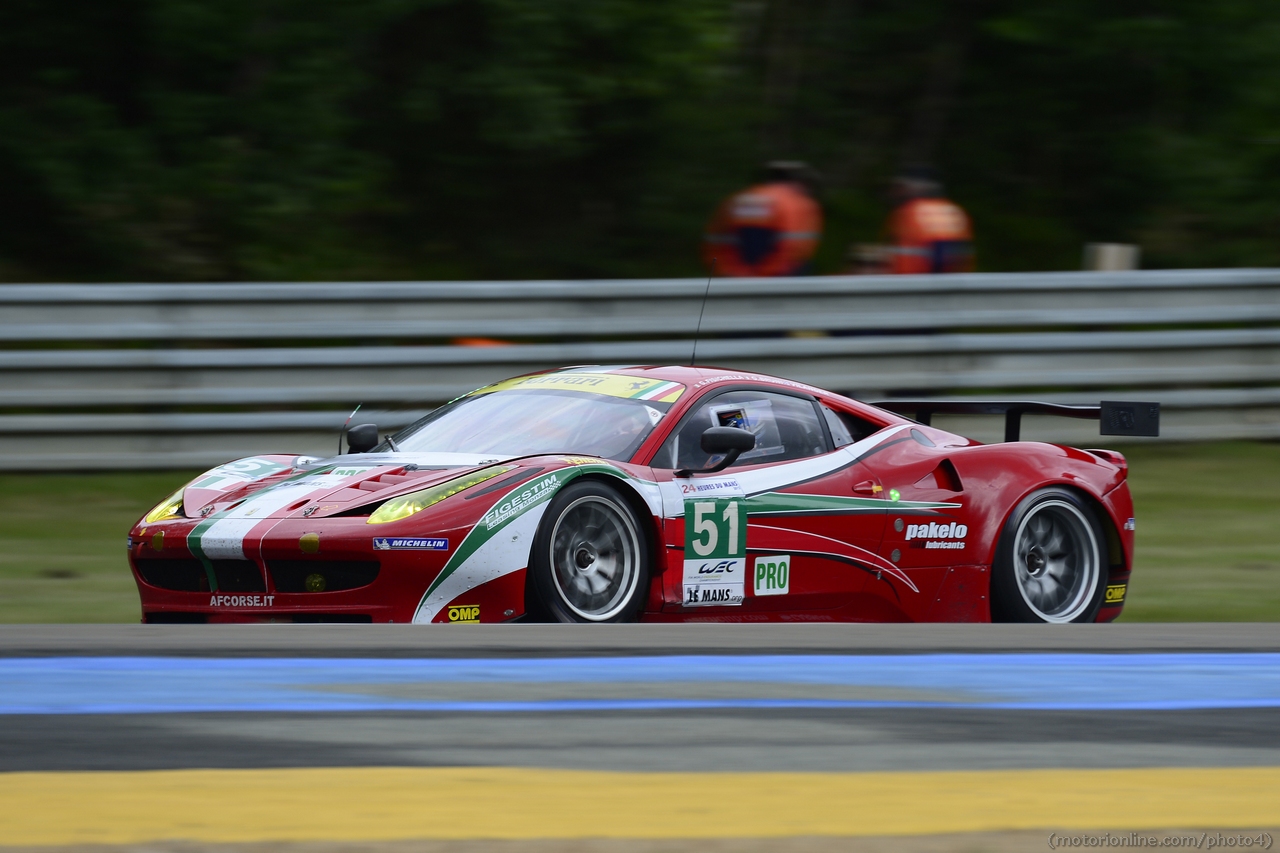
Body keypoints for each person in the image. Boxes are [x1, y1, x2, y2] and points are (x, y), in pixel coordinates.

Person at [703, 162, 822, 277]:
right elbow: (794, 249)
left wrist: (737, 273)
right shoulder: (798, 203)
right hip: (781, 275)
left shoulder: (737, 199)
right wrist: (765, 273)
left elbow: (717, 241)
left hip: (735, 274)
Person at [884, 166, 974, 274]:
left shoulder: (910, 211)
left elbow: (939, 255)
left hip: (911, 282)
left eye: (901, 186)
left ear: (920, 186)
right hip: (952, 282)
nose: (896, 192)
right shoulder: (954, 211)